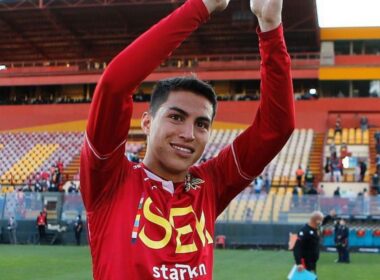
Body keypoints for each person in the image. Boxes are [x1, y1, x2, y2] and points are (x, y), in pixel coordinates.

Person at [80, 0, 295, 279]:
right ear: (147, 121)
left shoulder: (208, 184)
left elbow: (277, 128)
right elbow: (114, 84)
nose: (188, 134)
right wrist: (201, 6)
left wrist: (270, 27)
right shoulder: (110, 180)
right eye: (176, 117)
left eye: (201, 124)